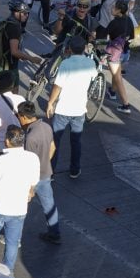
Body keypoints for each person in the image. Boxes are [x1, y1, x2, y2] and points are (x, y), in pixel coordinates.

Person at [0, 125, 40, 271]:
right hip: (19, 209)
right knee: (12, 242)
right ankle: (7, 272)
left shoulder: (1, 161)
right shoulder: (33, 158)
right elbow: (34, 180)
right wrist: (30, 191)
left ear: (7, 141)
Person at [46, 36, 97, 179]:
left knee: (55, 141)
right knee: (76, 141)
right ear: (84, 49)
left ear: (69, 49)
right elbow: (93, 77)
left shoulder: (65, 64)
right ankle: (74, 170)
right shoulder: (90, 63)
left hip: (63, 109)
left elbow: (58, 86)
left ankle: (50, 172)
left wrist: (50, 103)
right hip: (79, 109)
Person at [16, 101, 60, 244]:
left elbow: (28, 164)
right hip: (46, 173)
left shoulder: (30, 137)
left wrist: (30, 188)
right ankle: (55, 233)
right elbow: (53, 147)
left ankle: (15, 238)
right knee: (49, 205)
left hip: (32, 179)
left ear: (23, 117)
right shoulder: (46, 127)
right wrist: (44, 162)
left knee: (20, 210)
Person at [0, 0, 42, 92]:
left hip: (1, 62)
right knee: (12, 92)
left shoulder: (8, 21)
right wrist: (31, 58)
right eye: (24, 13)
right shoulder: (15, 27)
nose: (27, 15)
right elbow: (14, 52)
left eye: (27, 13)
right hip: (9, 65)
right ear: (16, 13)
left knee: (3, 91)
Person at [105, 0, 135, 114]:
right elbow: (132, 36)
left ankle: (125, 104)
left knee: (118, 78)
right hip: (125, 53)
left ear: (118, 10)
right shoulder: (129, 20)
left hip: (115, 53)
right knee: (116, 73)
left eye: (113, 7)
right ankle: (112, 92)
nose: (111, 8)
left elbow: (104, 35)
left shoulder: (114, 23)